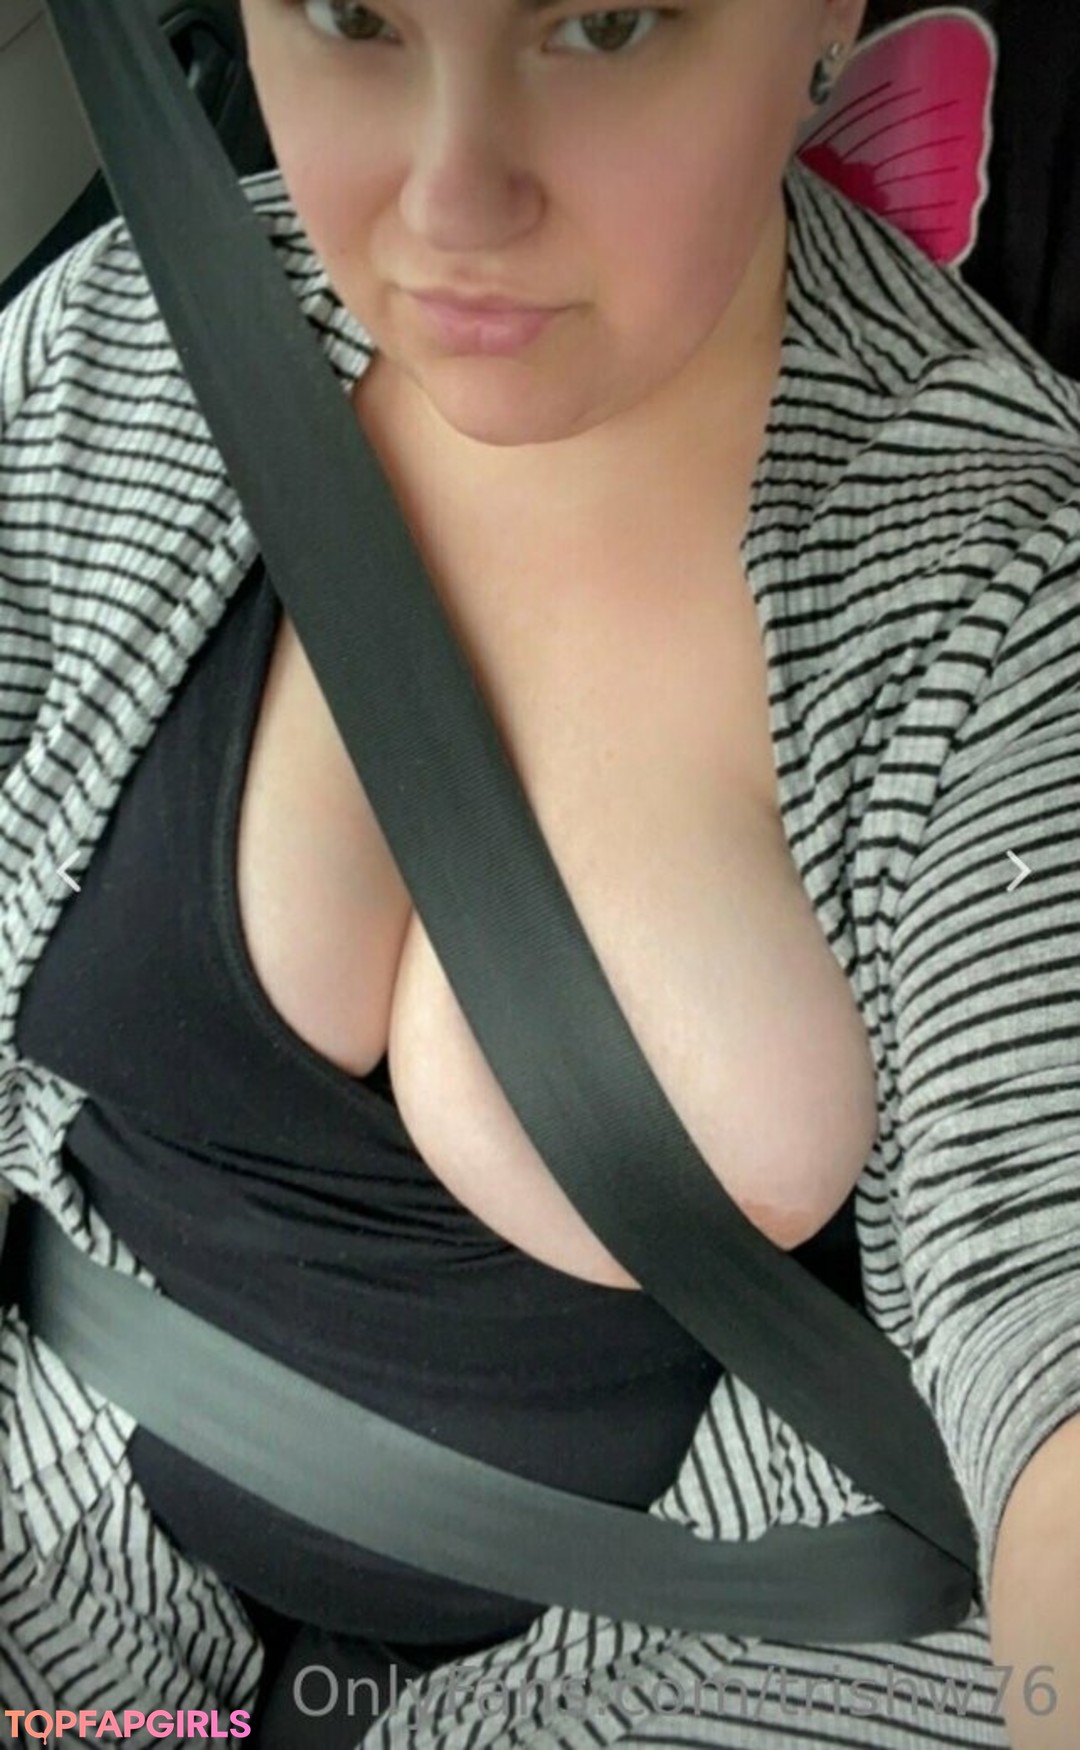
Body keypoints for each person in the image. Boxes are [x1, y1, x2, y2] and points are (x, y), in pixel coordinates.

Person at [0, 1, 1078, 1745]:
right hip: (59, 1530)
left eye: (604, 23)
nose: (452, 199)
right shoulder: (114, 353)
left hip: (727, 1655)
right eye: (351, 16)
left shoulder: (1002, 572)